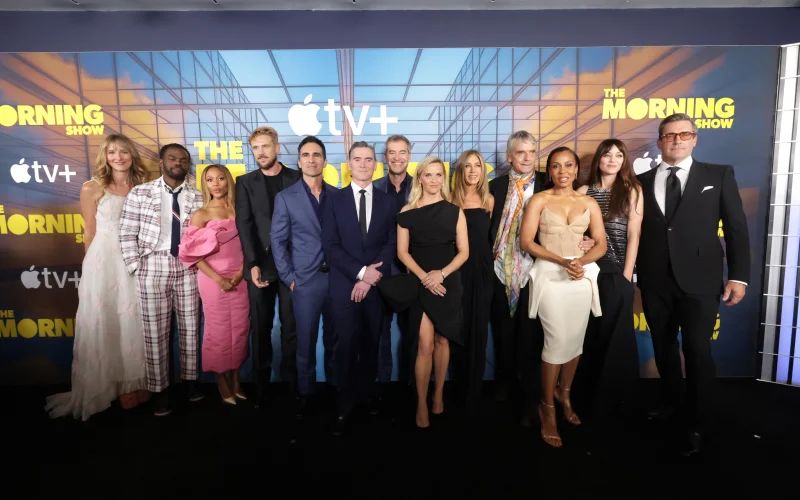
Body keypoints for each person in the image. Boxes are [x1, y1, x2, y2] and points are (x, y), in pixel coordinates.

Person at [636, 113, 750, 456]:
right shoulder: (640, 181)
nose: (676, 140)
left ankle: (698, 422)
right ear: (660, 141)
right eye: (669, 135)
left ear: (695, 139)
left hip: (701, 280)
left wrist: (738, 276)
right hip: (655, 279)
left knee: (698, 351)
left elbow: (736, 229)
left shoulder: (718, 174)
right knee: (663, 347)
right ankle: (671, 402)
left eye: (684, 134)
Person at [489, 131, 593, 425]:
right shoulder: (493, 187)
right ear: (509, 156)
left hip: (537, 270)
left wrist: (587, 241)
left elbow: (574, 220)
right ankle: (505, 381)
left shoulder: (550, 184)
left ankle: (532, 397)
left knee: (532, 337)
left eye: (531, 152)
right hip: (500, 269)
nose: (526, 158)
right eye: (520, 152)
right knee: (503, 330)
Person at [45, 134, 149, 421]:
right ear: (105, 156)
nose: (119, 157)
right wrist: (90, 267)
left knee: (134, 321)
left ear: (131, 155)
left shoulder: (142, 187)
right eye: (112, 152)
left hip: (135, 260)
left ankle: (134, 382)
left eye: (124, 152)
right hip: (104, 262)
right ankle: (108, 385)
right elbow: (89, 231)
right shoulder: (92, 187)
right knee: (107, 319)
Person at [520, 146, 608, 448]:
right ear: (550, 170)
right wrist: (562, 261)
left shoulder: (588, 202)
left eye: (568, 165)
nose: (563, 171)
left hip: (580, 277)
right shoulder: (539, 200)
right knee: (556, 339)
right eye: (556, 166)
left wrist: (579, 263)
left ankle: (564, 393)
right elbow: (526, 242)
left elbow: (600, 244)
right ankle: (546, 406)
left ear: (576, 169)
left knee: (576, 340)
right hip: (549, 274)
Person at [378, 157, 469, 428]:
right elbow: (402, 253)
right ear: (419, 177)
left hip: (447, 283)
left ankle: (438, 395)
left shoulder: (455, 211)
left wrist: (441, 274)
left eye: (438, 175)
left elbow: (464, 252)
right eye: (428, 174)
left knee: (442, 341)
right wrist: (425, 278)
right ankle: (421, 402)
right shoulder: (407, 211)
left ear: (444, 178)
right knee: (425, 345)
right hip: (420, 283)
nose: (433, 180)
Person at [119, 143, 205, 417]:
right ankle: (160, 391)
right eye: (172, 158)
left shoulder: (198, 195)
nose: (178, 163)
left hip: (188, 265)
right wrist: (137, 267)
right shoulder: (140, 193)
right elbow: (126, 232)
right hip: (152, 264)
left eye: (183, 160)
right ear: (161, 162)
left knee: (191, 329)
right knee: (155, 334)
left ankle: (190, 382)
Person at [322, 141, 396, 436]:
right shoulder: (333, 200)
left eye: (369, 159)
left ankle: (366, 394)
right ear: (349, 164)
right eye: (358, 159)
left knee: (371, 344)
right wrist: (362, 273)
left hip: (376, 288)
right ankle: (344, 402)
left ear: (376, 165)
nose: (363, 164)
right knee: (345, 345)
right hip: (344, 286)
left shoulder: (388, 201)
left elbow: (391, 243)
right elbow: (331, 246)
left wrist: (370, 279)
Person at [575, 139, 643, 418]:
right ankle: (585, 397)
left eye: (618, 155)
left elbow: (634, 234)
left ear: (624, 160)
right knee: (589, 333)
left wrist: (627, 276)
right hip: (587, 272)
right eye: (607, 154)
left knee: (616, 336)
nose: (613, 160)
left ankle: (615, 401)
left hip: (616, 273)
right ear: (598, 159)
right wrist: (584, 242)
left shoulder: (631, 190)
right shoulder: (583, 191)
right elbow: (572, 232)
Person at [271, 136, 337, 420]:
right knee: (305, 342)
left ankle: (335, 390)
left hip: (337, 280)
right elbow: (277, 241)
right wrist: (289, 277)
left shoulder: (338, 195)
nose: (312, 159)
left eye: (317, 155)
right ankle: (306, 393)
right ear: (299, 162)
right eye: (306, 155)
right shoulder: (286, 197)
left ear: (325, 161)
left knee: (336, 340)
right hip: (305, 282)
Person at [235, 126, 301, 408]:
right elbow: (244, 224)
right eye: (255, 148)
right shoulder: (244, 182)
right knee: (260, 329)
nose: (260, 152)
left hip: (292, 267)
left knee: (291, 329)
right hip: (260, 267)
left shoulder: (296, 178)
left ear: (277, 148)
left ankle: (294, 388)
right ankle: (261, 391)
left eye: (265, 146)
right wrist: (252, 263)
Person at [178, 164, 248, 406]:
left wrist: (239, 274)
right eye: (210, 180)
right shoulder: (201, 214)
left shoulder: (240, 209)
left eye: (220, 178)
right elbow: (192, 254)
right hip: (212, 278)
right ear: (204, 184)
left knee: (240, 328)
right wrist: (220, 279)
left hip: (240, 276)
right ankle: (221, 380)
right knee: (218, 330)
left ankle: (236, 379)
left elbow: (251, 245)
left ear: (228, 181)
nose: (216, 184)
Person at [449, 149, 494, 408]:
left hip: (483, 270)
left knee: (479, 328)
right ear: (460, 170)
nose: (473, 170)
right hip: (457, 271)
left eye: (478, 165)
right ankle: (459, 385)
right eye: (468, 166)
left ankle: (474, 391)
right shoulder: (450, 199)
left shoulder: (489, 200)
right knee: (459, 328)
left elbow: (491, 239)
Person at [373, 135, 413, 396]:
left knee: (413, 334)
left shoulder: (422, 187)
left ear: (409, 156)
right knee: (380, 335)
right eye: (392, 153)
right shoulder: (374, 188)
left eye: (402, 152)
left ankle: (411, 387)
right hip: (382, 272)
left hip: (413, 273)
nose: (397, 158)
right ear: (385, 157)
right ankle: (383, 389)